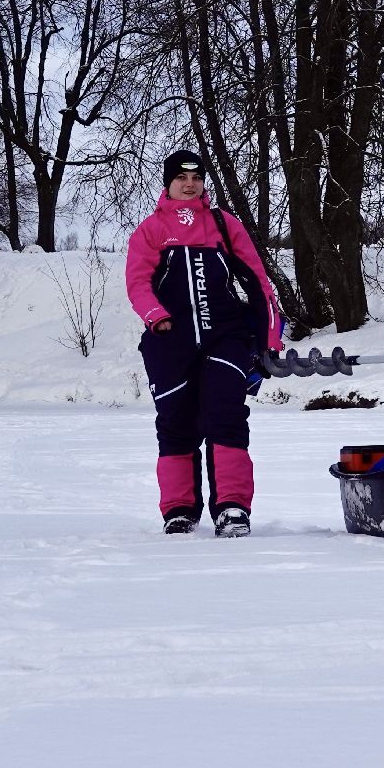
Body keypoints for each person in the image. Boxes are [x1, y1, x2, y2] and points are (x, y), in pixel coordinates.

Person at [125, 150, 283, 536]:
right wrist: (156, 317)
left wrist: (268, 341)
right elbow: (137, 283)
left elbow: (259, 284)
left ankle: (232, 508)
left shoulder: (225, 225)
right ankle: (179, 509)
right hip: (169, 342)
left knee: (225, 416)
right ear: (169, 183)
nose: (189, 184)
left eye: (196, 178)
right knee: (175, 424)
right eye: (181, 178)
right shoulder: (150, 230)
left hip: (225, 338)